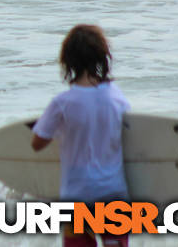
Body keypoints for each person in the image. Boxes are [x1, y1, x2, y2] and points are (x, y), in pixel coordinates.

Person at [31, 25, 131, 247]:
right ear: (102, 57)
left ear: (68, 61)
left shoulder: (62, 103)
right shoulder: (116, 96)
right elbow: (130, 131)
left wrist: (57, 128)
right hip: (113, 195)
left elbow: (37, 142)